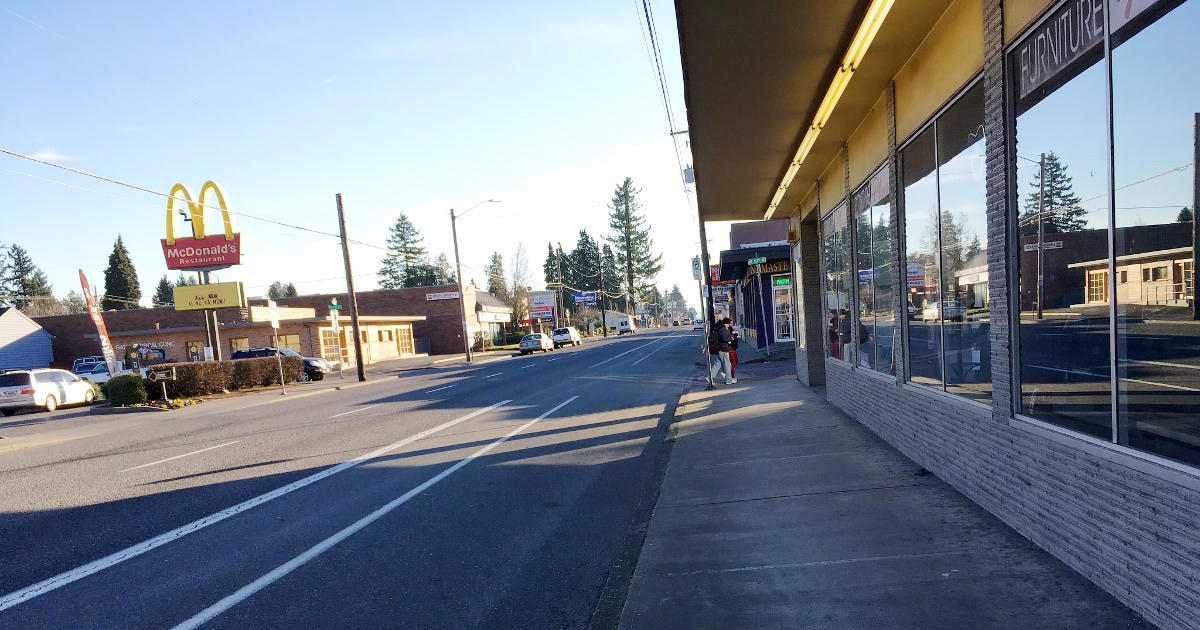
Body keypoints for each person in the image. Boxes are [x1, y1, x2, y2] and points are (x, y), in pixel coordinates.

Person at [708, 317, 736, 385]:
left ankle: (710, 378)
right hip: (723, 349)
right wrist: (731, 338)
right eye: (728, 323)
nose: (729, 325)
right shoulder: (723, 329)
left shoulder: (720, 328)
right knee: (727, 365)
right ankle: (729, 380)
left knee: (717, 364)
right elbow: (725, 338)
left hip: (720, 349)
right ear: (725, 323)